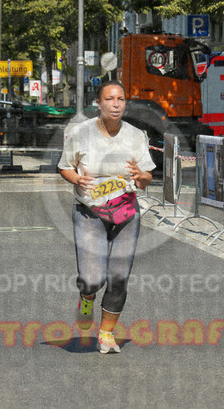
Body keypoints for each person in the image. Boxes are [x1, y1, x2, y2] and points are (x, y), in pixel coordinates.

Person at [58, 80, 155, 354]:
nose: (116, 104)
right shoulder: (81, 133)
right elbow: (65, 167)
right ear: (98, 104)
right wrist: (76, 179)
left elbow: (147, 177)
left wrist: (141, 176)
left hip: (126, 212)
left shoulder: (135, 135)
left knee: (119, 276)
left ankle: (106, 333)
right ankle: (86, 295)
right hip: (90, 212)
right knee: (92, 278)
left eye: (120, 99)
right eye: (110, 99)